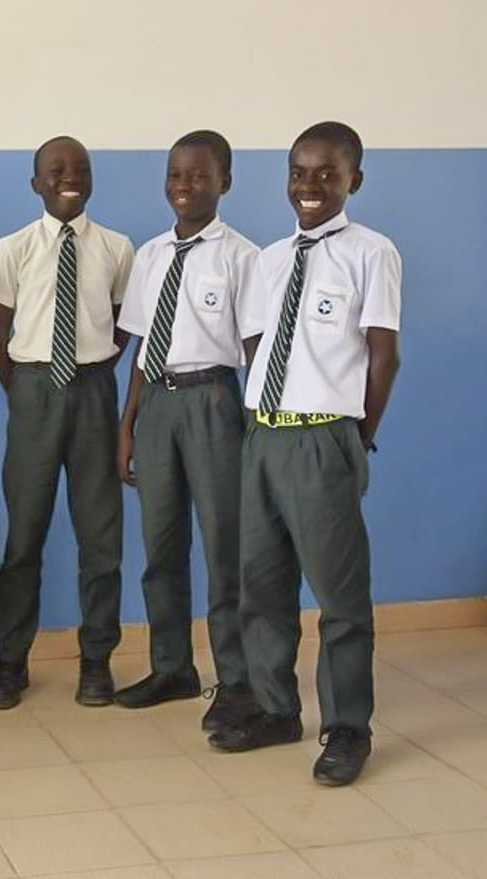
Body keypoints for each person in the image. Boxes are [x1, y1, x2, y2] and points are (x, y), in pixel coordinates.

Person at [208, 121, 402, 787]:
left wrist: (356, 433)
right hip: (264, 434)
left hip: (324, 437)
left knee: (340, 596)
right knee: (261, 583)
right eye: (299, 172)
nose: (310, 186)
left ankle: (347, 727)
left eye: (326, 173)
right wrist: (259, 418)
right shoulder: (270, 259)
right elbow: (259, 348)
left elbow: (383, 353)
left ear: (355, 180)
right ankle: (274, 706)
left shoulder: (372, 254)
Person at [0, 135, 135, 710]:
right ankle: (10, 661)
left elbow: (123, 323)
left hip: (94, 388)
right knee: (25, 535)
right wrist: (25, 390)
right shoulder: (13, 247)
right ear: (36, 182)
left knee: (102, 536)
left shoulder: (118, 248)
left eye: (80, 169)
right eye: (55, 169)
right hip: (33, 389)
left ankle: (96, 660)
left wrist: (94, 367)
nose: (69, 177)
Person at [114, 131, 259, 733]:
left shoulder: (244, 258)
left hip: (214, 402)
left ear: (224, 181)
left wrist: (254, 432)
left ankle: (236, 679)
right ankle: (172, 667)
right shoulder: (149, 257)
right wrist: (127, 428)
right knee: (160, 546)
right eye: (176, 174)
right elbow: (143, 349)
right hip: (159, 405)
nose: (184, 185)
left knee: (225, 549)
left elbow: (257, 352)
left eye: (199, 175)